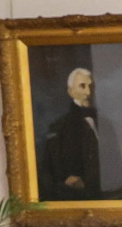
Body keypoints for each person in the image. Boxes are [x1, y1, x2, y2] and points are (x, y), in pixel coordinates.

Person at [37, 67, 101, 199]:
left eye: (91, 86)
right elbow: (49, 175)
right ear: (71, 92)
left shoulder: (105, 123)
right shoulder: (59, 128)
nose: (88, 92)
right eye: (82, 86)